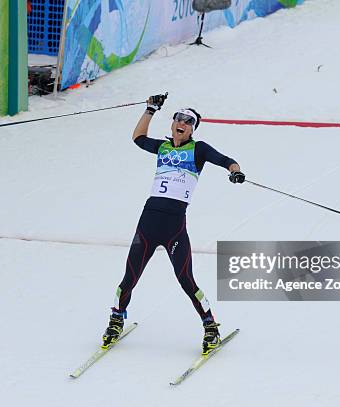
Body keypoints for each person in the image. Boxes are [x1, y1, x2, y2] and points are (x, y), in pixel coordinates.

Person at [101, 94, 245, 355]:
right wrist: (150, 110)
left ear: (193, 128)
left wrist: (234, 171)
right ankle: (116, 319)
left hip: (174, 228)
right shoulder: (163, 147)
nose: (182, 123)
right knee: (128, 279)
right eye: (178, 118)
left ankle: (210, 326)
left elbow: (226, 160)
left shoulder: (198, 149)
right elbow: (138, 138)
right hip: (148, 222)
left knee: (186, 280)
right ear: (172, 124)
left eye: (188, 121)